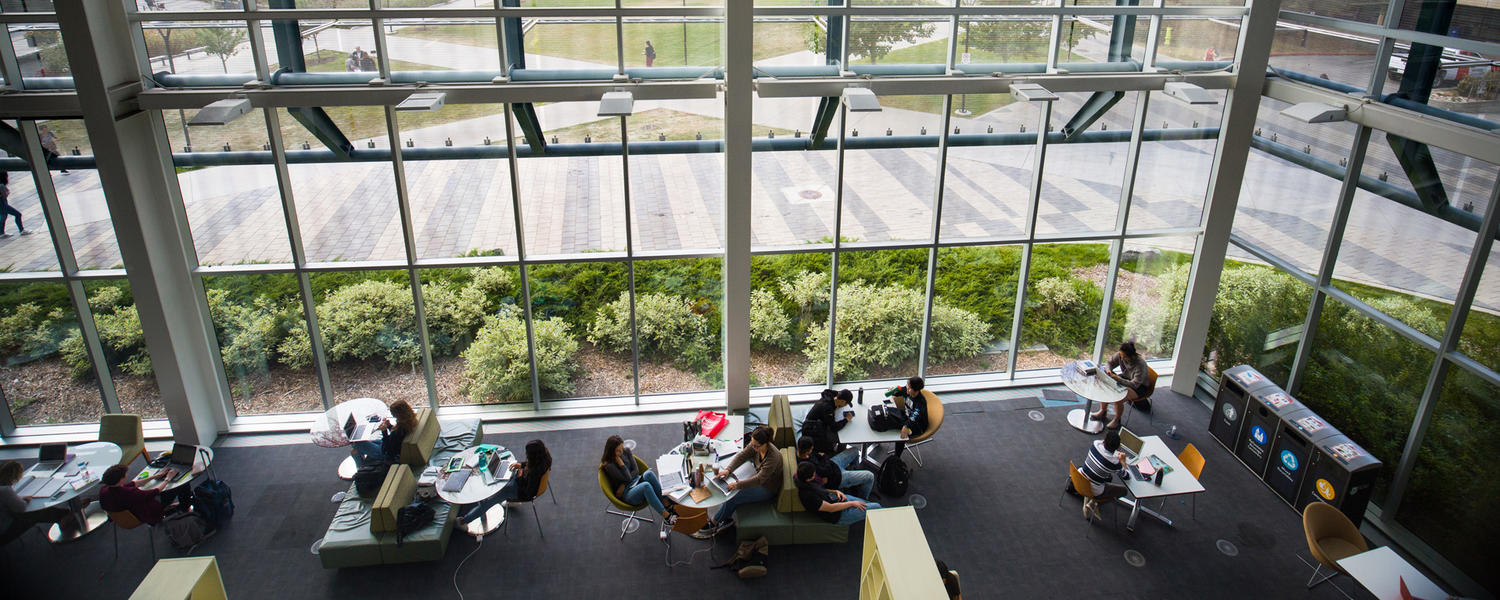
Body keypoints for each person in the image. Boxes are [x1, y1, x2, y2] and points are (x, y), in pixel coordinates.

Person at [692, 426, 782, 539]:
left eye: (755, 446)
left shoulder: (773, 457)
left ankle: (713, 523)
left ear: (765, 444)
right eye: (752, 443)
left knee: (735, 496)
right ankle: (726, 516)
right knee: (729, 480)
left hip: (767, 487)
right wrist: (728, 470)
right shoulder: (756, 444)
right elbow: (742, 455)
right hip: (756, 474)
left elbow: (760, 479)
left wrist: (738, 485)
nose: (753, 447)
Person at [456, 439, 551, 530]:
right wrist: (521, 466)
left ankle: (463, 521)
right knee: (505, 472)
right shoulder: (544, 459)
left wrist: (519, 475)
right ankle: (508, 494)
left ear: (533, 456)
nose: (526, 455)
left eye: (528, 454)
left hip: (521, 492)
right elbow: (530, 464)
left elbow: (528, 492)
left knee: (488, 501)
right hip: (522, 482)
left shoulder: (534, 473)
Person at [600, 435, 676, 539]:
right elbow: (627, 477)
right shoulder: (610, 465)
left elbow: (636, 470)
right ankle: (666, 516)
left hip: (634, 481)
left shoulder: (626, 451)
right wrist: (622, 465)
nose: (621, 452)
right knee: (646, 486)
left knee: (648, 474)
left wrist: (625, 482)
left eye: (622, 448)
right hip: (627, 494)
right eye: (618, 451)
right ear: (611, 451)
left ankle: (665, 502)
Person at [0, 460, 78, 545]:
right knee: (34, 513)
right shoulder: (5, 490)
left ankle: (64, 517)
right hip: (5, 532)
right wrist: (24, 500)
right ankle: (67, 515)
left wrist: (18, 499)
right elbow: (21, 507)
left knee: (30, 512)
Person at [98, 464, 193, 526]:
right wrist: (168, 478)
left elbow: (133, 484)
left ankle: (178, 506)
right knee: (181, 485)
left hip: (126, 513)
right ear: (120, 480)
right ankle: (185, 509)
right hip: (146, 513)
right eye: (125, 476)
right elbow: (156, 491)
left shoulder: (105, 490)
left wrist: (155, 476)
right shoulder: (130, 493)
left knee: (156, 485)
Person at [1066, 429, 1130, 520]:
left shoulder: (1095, 444)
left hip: (1080, 479)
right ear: (1118, 447)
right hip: (1094, 490)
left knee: (1107, 476)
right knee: (1123, 491)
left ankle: (1087, 500)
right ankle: (1092, 503)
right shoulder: (1114, 463)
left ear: (1104, 441)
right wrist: (1123, 462)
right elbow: (1126, 476)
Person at [793, 462, 879, 526]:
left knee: (867, 504)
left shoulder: (802, 479)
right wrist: (851, 503)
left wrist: (835, 491)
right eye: (813, 474)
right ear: (808, 479)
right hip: (838, 515)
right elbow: (831, 509)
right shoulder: (808, 496)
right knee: (877, 507)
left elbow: (821, 490)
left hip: (837, 500)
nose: (815, 475)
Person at [796, 436, 874, 500]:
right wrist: (824, 458)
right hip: (836, 477)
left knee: (855, 450)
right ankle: (863, 498)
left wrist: (824, 459)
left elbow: (820, 458)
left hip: (833, 464)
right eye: (811, 449)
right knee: (870, 476)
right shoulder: (809, 466)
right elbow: (826, 470)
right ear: (807, 451)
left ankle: (856, 478)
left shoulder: (802, 452)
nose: (813, 450)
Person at [1095, 342, 1151, 429]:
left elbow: (1134, 384)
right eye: (1121, 355)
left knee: (1118, 397)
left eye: (1124, 356)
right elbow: (1109, 362)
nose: (1122, 358)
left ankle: (1117, 420)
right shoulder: (1121, 355)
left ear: (1132, 356)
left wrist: (1118, 379)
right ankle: (1103, 411)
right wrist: (1109, 370)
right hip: (1125, 378)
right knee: (1106, 387)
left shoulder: (1140, 365)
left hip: (1139, 387)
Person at [350, 399, 417, 468]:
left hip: (385, 453)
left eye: (393, 414)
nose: (392, 416)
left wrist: (384, 431)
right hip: (390, 446)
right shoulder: (409, 422)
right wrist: (389, 426)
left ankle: (361, 469)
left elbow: (387, 449)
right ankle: (362, 465)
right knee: (358, 446)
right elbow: (396, 438)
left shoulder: (398, 431)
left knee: (356, 444)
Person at [800, 388, 853, 456]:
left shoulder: (830, 396)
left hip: (812, 424)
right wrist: (846, 419)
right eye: (846, 404)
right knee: (844, 438)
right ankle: (839, 456)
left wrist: (835, 407)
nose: (845, 406)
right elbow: (834, 427)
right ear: (842, 401)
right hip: (813, 431)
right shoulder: (827, 408)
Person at [889, 376, 928, 459]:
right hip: (906, 416)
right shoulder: (908, 390)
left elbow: (914, 417)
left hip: (917, 425)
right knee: (889, 414)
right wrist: (893, 391)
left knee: (901, 434)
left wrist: (906, 426)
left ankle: (896, 459)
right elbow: (899, 391)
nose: (906, 388)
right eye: (907, 385)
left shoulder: (920, 402)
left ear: (916, 390)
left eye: (909, 387)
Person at [0, 171, 29, 238]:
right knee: (18, 214)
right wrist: (7, 192)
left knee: (3, 217)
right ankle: (21, 230)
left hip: (2, 203)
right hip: (3, 203)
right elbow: (5, 195)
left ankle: (1, 232)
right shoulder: (1, 185)